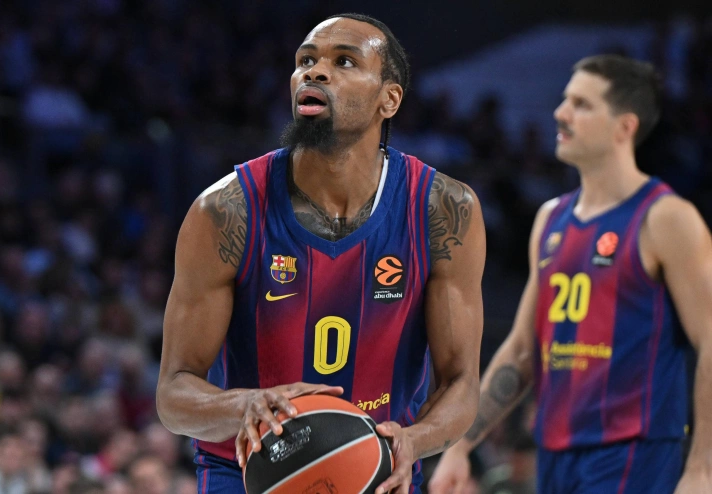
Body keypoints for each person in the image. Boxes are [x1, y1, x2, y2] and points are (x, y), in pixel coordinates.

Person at [156, 13, 486, 494]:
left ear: (388, 99)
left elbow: (460, 383)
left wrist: (415, 440)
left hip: (379, 470)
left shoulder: (444, 209)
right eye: (305, 61)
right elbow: (173, 393)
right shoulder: (225, 211)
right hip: (251, 473)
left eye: (344, 61)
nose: (313, 72)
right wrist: (243, 405)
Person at [429, 55, 712, 494]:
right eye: (564, 100)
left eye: (582, 104)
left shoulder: (666, 218)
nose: (561, 112)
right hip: (556, 455)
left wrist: (702, 470)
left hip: (634, 454)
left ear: (625, 127)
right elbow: (523, 350)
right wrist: (461, 445)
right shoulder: (550, 219)